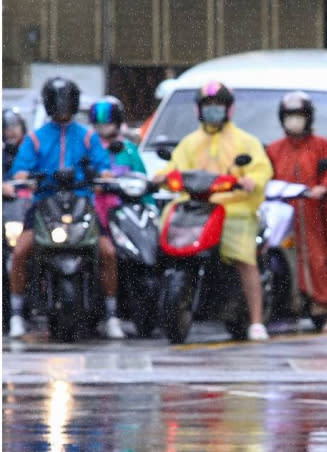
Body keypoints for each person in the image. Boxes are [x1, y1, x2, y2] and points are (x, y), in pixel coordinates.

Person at [151, 81, 273, 341]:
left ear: (228, 109)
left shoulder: (246, 142)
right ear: (198, 110)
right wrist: (161, 178)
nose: (212, 110)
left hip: (234, 210)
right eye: (207, 106)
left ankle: (255, 321)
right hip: (194, 208)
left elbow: (261, 169)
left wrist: (251, 180)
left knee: (243, 259)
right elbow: (174, 168)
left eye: (218, 105)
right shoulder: (189, 142)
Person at [7, 77, 125, 339]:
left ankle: (111, 314)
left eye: (67, 101)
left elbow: (103, 166)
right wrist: (22, 178)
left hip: (82, 203)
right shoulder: (36, 139)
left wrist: (104, 176)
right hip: (44, 204)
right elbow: (20, 170)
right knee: (21, 251)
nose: (62, 107)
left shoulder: (87, 136)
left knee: (107, 252)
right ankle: (16, 313)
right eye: (57, 101)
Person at [265, 91, 327, 333]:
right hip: (282, 218)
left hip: (313, 216)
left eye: (299, 115)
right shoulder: (275, 149)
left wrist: (323, 188)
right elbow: (265, 175)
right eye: (290, 116)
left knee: (320, 261)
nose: (294, 121)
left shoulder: (320, 146)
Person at [89, 96, 152, 228]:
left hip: (126, 211)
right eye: (99, 124)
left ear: (117, 123)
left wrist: (150, 208)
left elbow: (142, 179)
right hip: (94, 212)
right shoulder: (88, 148)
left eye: (107, 123)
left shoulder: (129, 149)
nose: (103, 128)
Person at [3, 109, 27, 198]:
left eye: (16, 126)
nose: (12, 131)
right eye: (7, 128)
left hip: (27, 197)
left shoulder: (31, 148)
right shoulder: (3, 152)